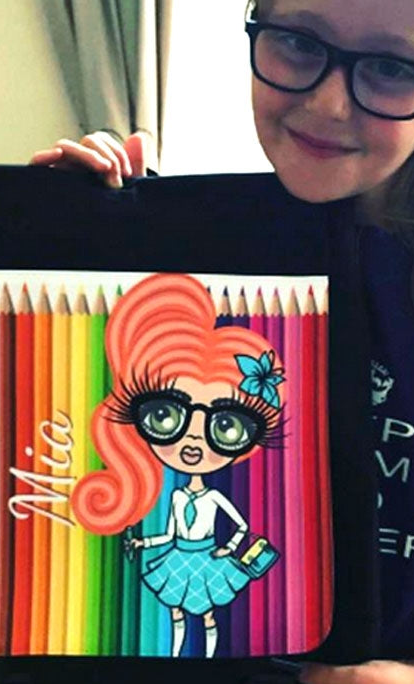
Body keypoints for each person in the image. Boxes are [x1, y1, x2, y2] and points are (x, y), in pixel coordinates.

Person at [31, 0, 414, 682]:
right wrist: (63, 237)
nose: (329, 103)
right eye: (298, 43)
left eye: (392, 67)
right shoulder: (183, 238)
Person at [70, 273, 286, 659]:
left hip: (206, 559)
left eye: (226, 426)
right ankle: (175, 655)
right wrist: (143, 543)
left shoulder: (214, 497)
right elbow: (169, 533)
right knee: (175, 613)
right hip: (179, 558)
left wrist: (228, 549)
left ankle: (207, 661)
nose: (193, 439)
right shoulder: (176, 497)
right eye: (165, 416)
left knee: (207, 616)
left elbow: (239, 525)